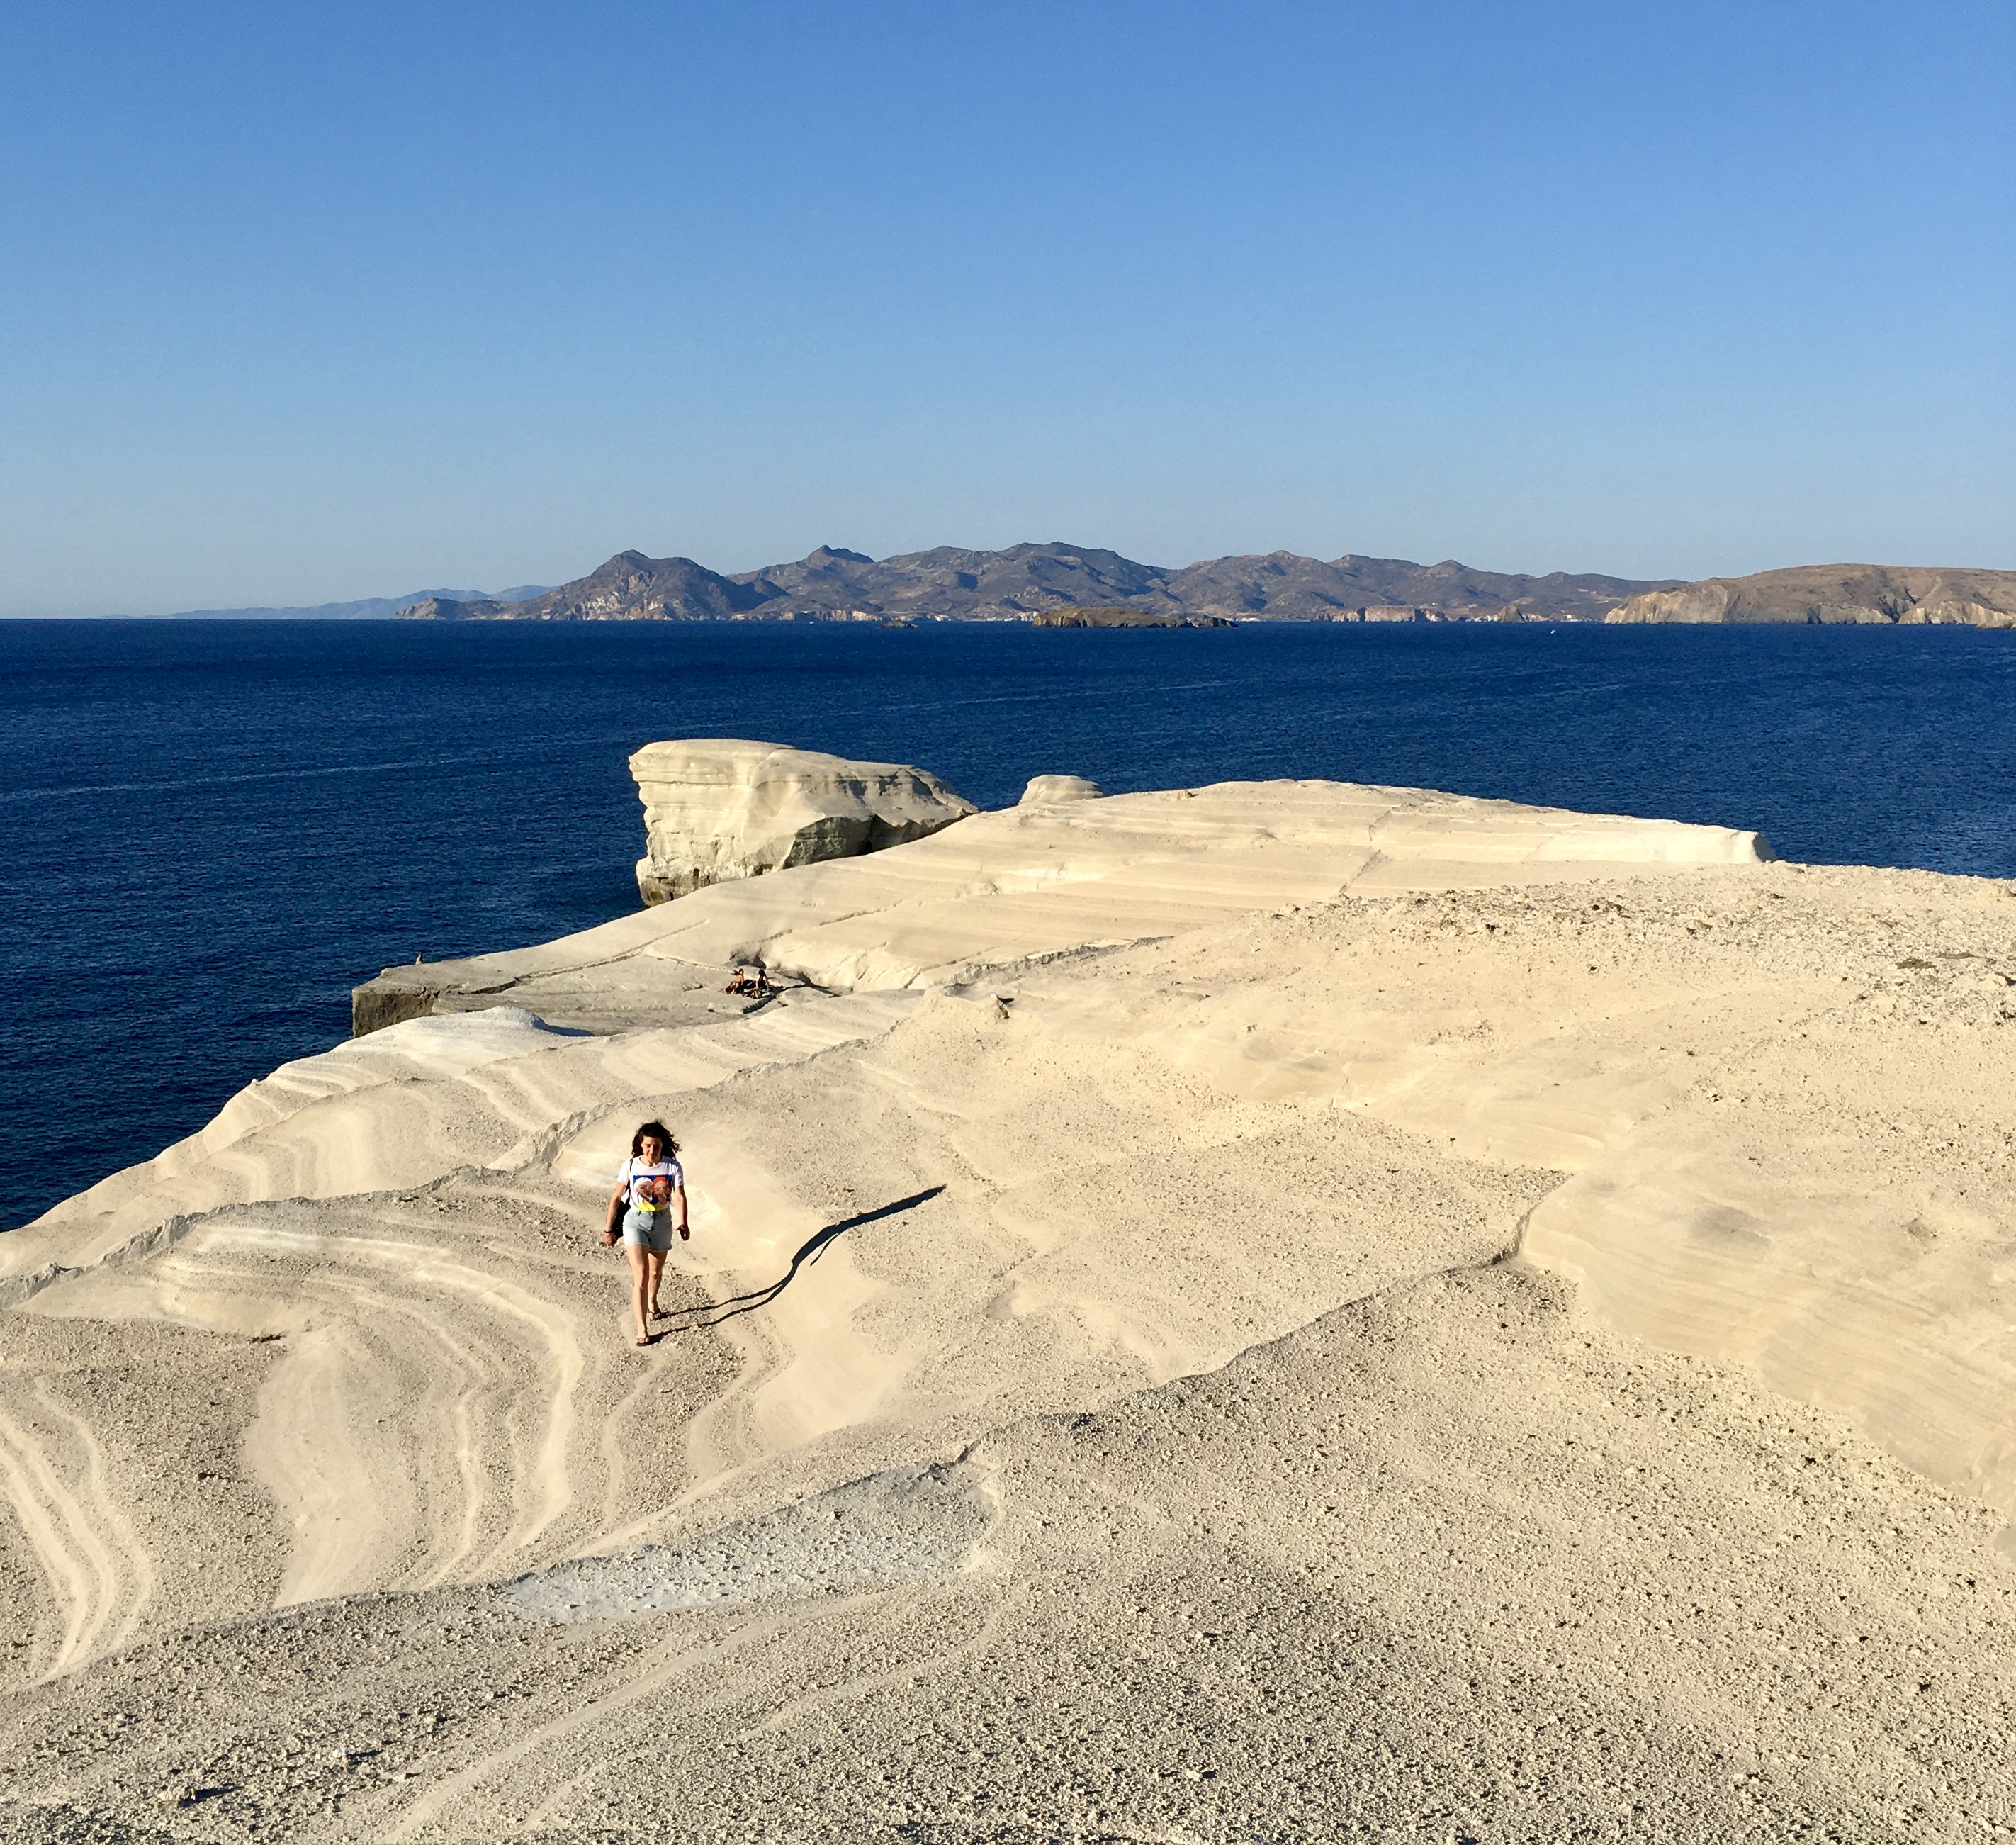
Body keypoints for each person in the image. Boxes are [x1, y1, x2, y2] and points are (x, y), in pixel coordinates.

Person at [603, 1120, 689, 1346]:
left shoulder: (672, 1167)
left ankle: (652, 1301)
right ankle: (642, 1328)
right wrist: (608, 1229)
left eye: (656, 1146)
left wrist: (684, 1222)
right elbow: (615, 1197)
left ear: (662, 1146)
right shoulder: (630, 1166)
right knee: (640, 1274)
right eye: (648, 1145)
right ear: (641, 1145)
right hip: (635, 1220)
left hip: (662, 1222)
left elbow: (679, 1196)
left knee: (655, 1272)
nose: (652, 1150)